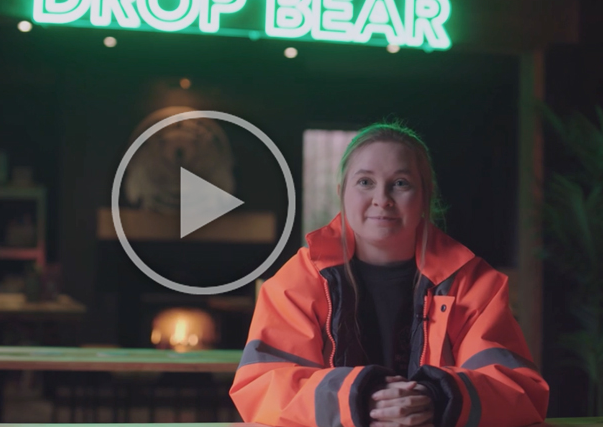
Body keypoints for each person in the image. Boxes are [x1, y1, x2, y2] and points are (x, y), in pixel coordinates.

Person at [230, 123, 548, 427]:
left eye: (400, 183)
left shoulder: (474, 284)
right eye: (365, 182)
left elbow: (520, 390)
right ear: (342, 192)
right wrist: (359, 399)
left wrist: (439, 398)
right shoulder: (298, 281)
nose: (382, 199)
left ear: (425, 195)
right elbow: (259, 386)